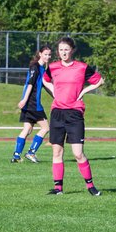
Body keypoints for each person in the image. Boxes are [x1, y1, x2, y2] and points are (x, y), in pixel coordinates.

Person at [41, 36, 104, 196]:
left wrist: (83, 91)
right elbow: (45, 79)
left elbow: (99, 81)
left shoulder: (82, 67)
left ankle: (90, 186)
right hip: (57, 112)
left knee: (78, 153)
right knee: (57, 152)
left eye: (66, 50)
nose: (63, 53)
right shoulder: (53, 67)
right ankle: (58, 188)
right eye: (61, 50)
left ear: (72, 50)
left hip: (75, 113)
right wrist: (54, 92)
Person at [12, 46, 51, 163]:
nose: (48, 57)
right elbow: (30, 84)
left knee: (27, 129)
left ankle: (16, 156)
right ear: (40, 54)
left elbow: (45, 86)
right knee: (45, 128)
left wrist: (55, 97)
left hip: (29, 104)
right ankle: (31, 152)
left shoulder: (42, 69)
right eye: (45, 54)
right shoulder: (35, 67)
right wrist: (24, 100)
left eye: (49, 55)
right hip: (33, 104)